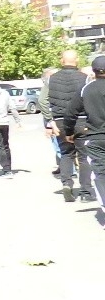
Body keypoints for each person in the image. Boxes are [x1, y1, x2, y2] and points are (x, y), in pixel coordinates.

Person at [42, 50, 92, 202]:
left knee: (66, 154)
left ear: (61, 61)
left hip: (60, 121)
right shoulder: (86, 79)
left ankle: (67, 184)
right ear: (77, 60)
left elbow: (43, 101)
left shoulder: (51, 79)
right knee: (84, 156)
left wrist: (50, 121)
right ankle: (85, 192)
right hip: (81, 120)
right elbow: (89, 100)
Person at [79, 56, 105, 213]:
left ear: (94, 72)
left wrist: (69, 131)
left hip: (95, 137)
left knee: (100, 173)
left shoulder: (86, 89)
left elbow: (71, 111)